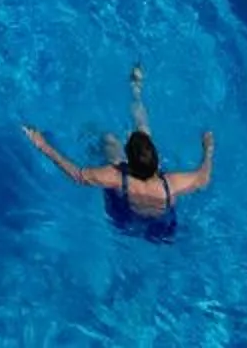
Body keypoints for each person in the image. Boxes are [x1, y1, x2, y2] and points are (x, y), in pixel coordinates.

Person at [24, 68, 213, 242]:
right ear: (156, 162)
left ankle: (97, 135)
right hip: (163, 227)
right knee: (144, 133)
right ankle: (136, 92)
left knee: (109, 141)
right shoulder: (171, 184)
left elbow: (78, 175)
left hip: (124, 220)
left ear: (128, 163)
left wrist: (43, 145)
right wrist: (208, 150)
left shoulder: (115, 176)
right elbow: (203, 178)